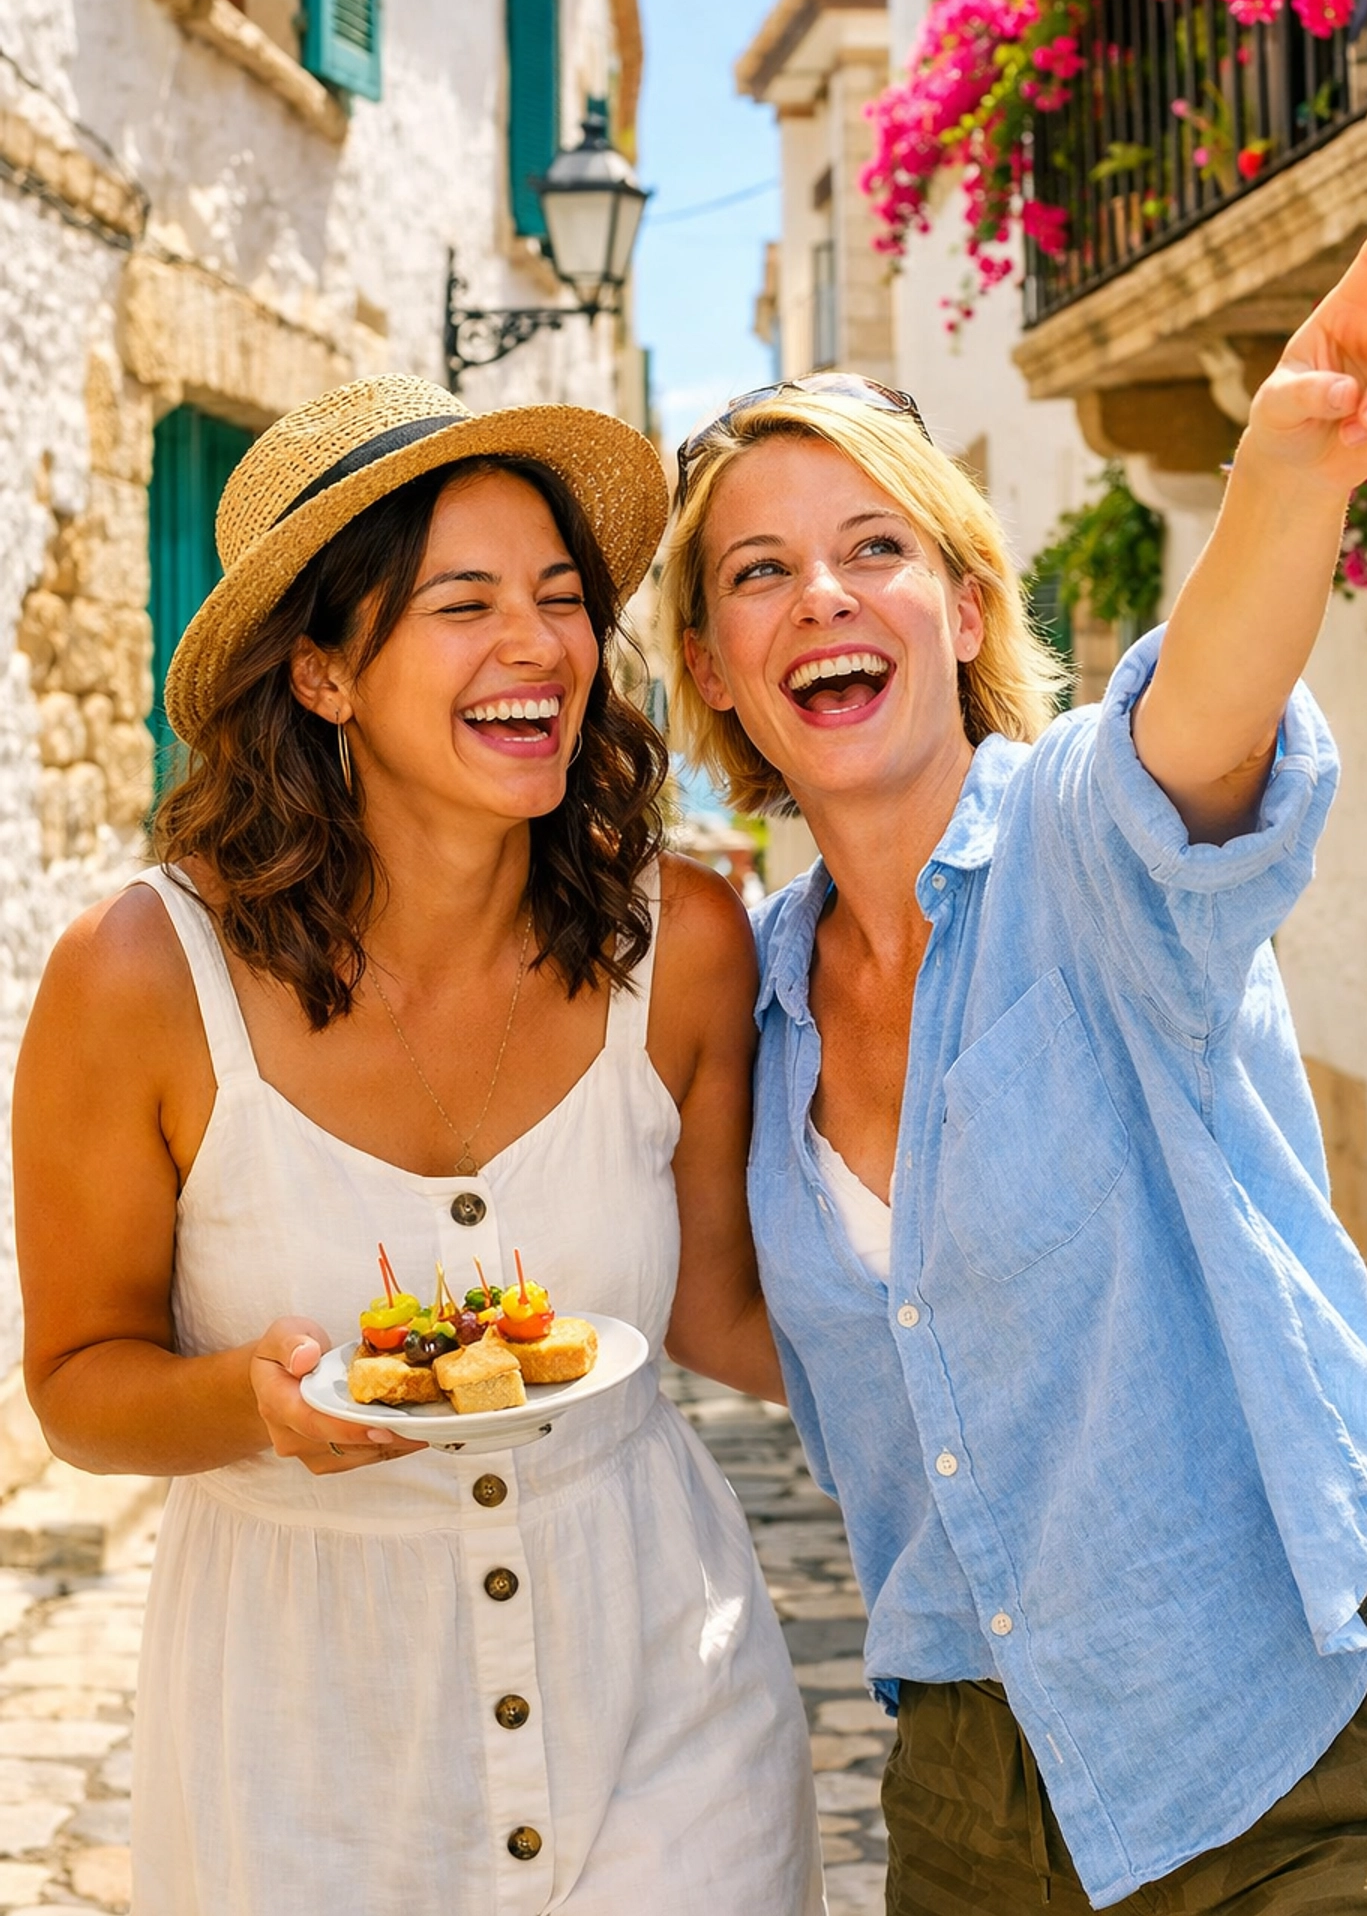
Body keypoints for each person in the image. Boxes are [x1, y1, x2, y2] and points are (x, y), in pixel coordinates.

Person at [660, 183, 1367, 1913]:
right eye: (760, 573)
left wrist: (1286, 480)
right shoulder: (747, 1003)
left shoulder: (1078, 840)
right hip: (980, 1793)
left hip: (1314, 1724)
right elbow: (733, 1311)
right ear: (716, 667)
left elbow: (1198, 719)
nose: (822, 594)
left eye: (876, 548)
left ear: (964, 605)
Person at [14, 375, 821, 1916]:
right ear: (322, 672)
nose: (540, 645)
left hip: (668, 1692)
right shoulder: (138, 978)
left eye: (562, 598)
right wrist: (250, 1405)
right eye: (465, 604)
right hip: (306, 1747)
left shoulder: (683, 943)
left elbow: (726, 1311)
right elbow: (76, 1384)